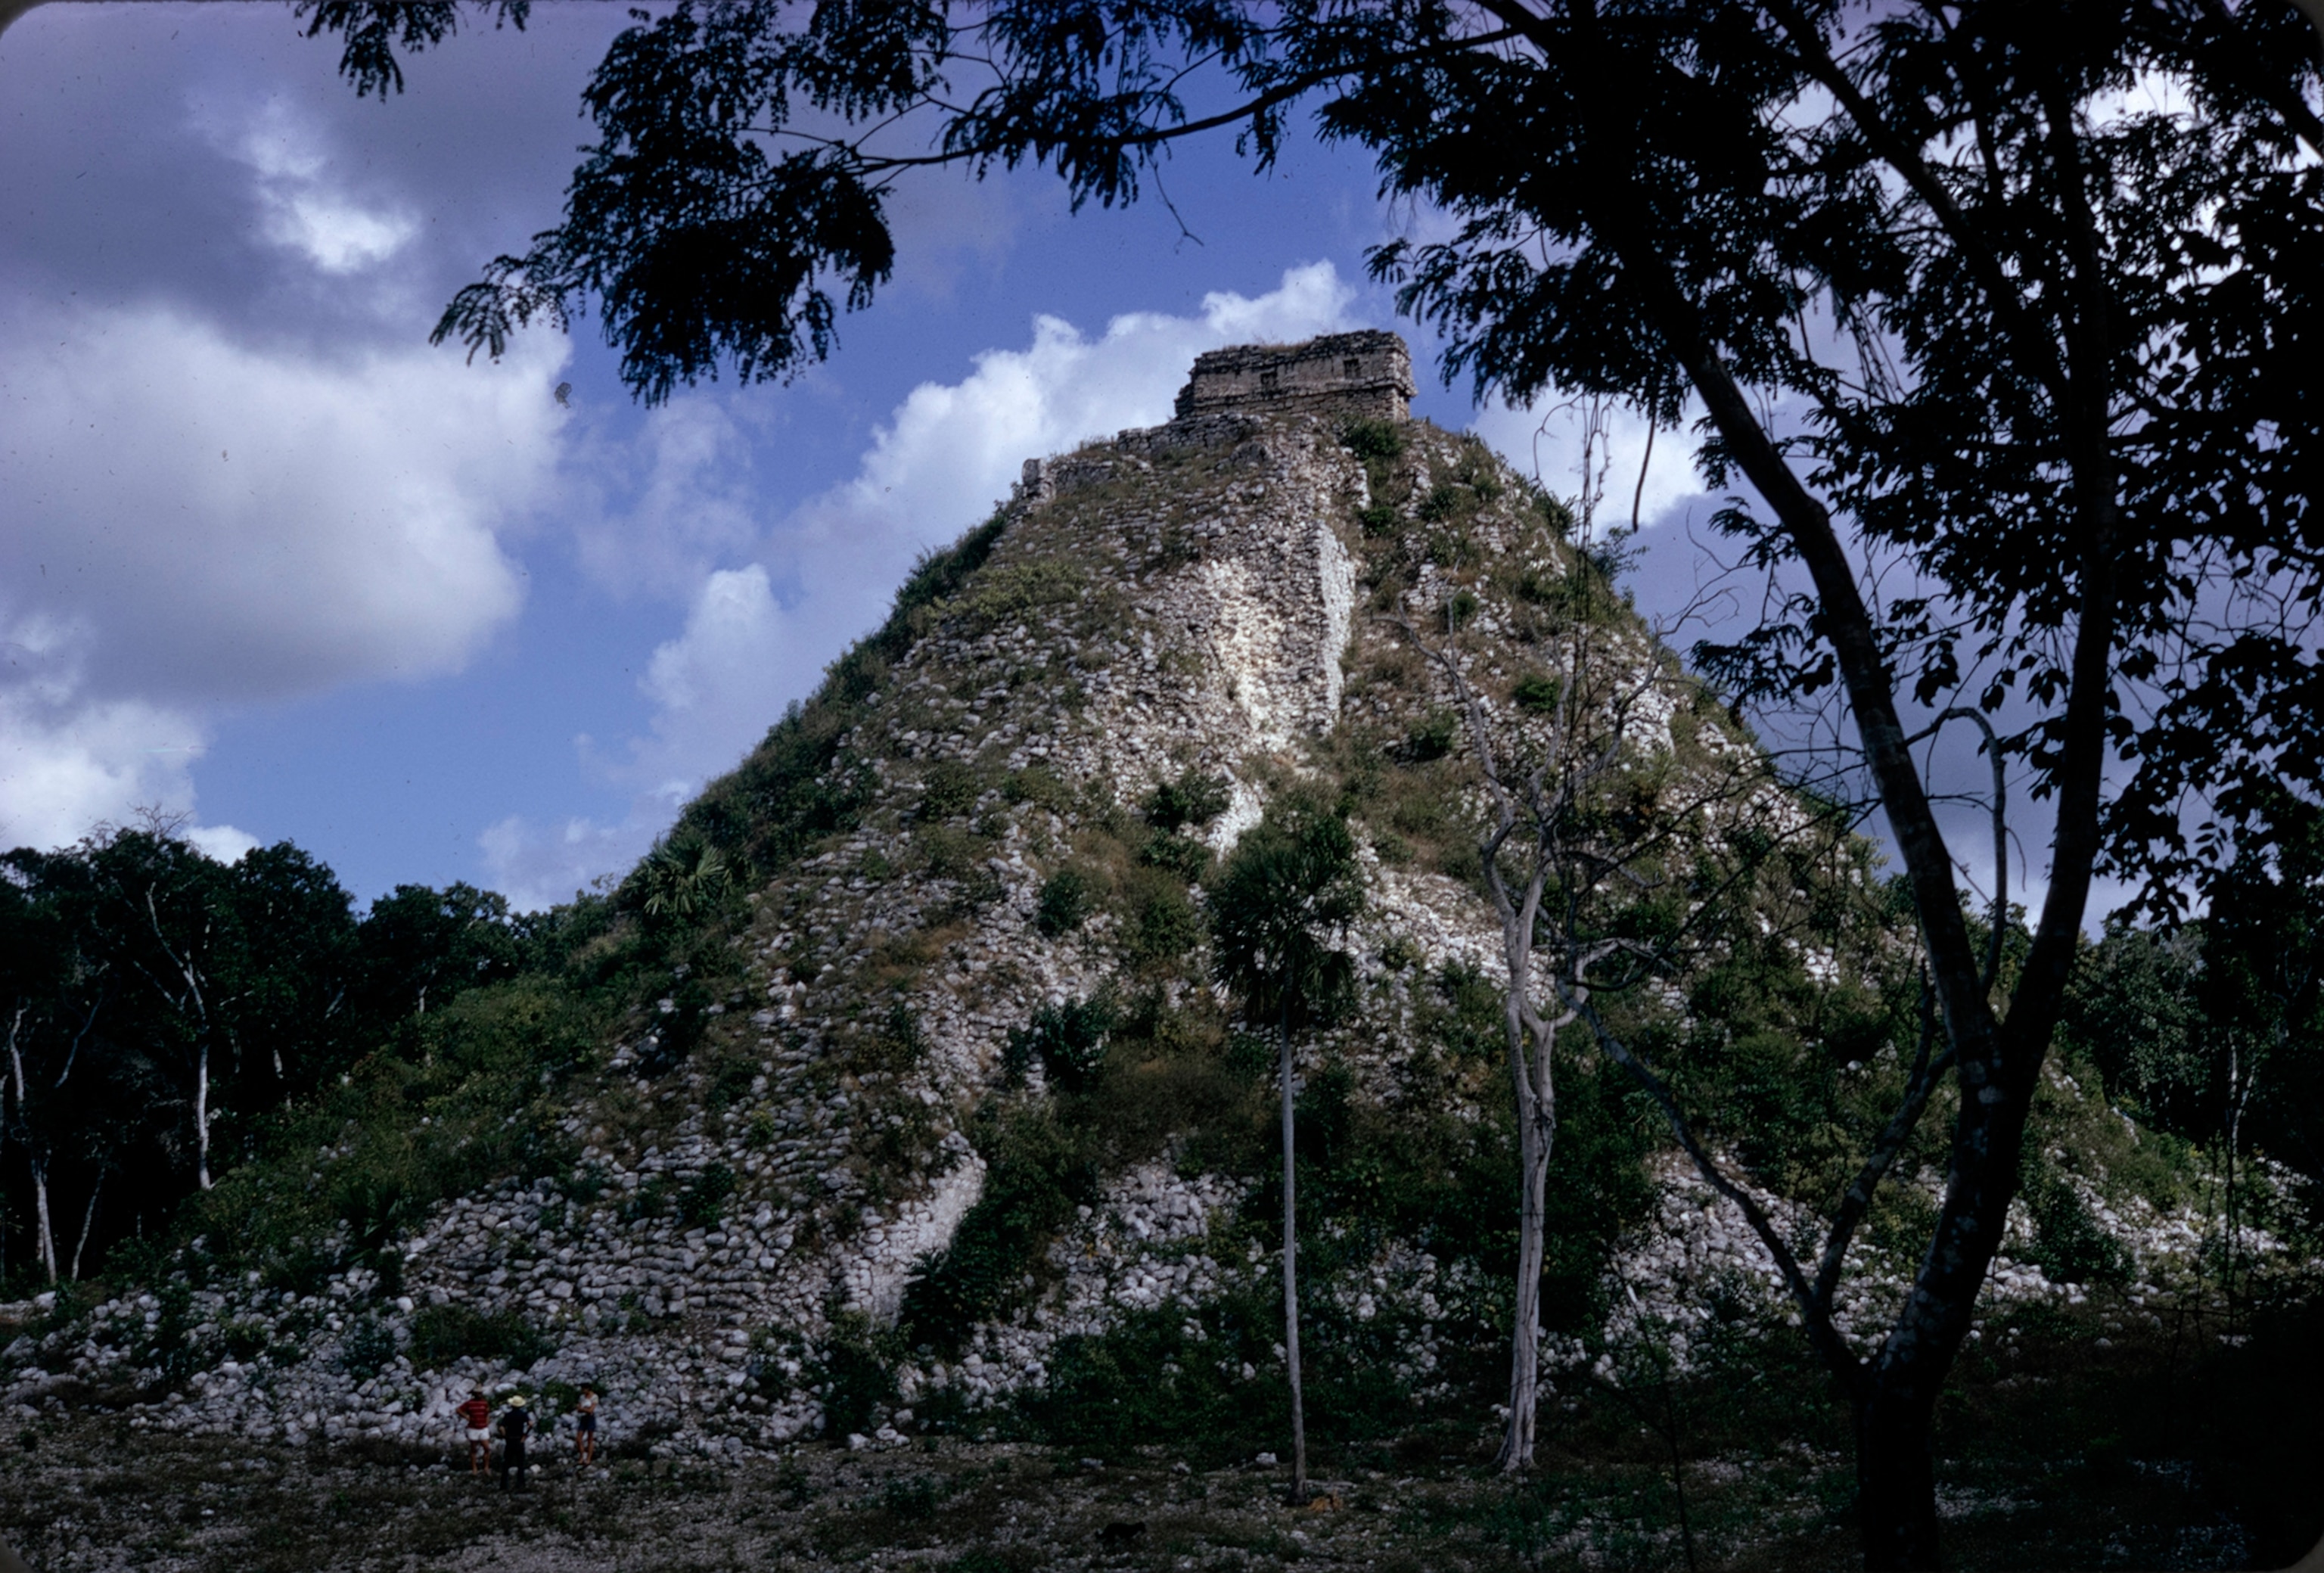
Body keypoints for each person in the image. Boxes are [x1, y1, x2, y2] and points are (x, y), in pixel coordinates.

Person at [499, 1394, 530, 1492]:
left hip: (510, 1440)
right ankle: (521, 1484)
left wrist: (505, 1436)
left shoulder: (508, 1415)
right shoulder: (523, 1415)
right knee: (521, 1463)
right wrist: (525, 1435)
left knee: (506, 1464)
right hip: (519, 1440)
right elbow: (531, 1424)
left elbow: (501, 1427)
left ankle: (504, 1485)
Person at [457, 1388, 492, 1478]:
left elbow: (487, 1413)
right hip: (473, 1428)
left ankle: (486, 1467)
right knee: (473, 1449)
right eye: (478, 1393)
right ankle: (474, 1468)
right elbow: (459, 1410)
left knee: (487, 1448)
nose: (480, 1394)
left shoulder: (484, 1403)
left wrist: (487, 1422)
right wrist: (466, 1416)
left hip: (483, 1427)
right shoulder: (469, 1403)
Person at [574, 1385, 598, 1468]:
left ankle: (588, 1458)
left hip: (590, 1418)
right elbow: (579, 1408)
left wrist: (583, 1409)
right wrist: (585, 1409)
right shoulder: (582, 1397)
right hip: (583, 1418)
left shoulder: (594, 1397)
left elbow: (591, 1410)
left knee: (590, 1439)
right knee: (578, 1438)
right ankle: (582, 1456)